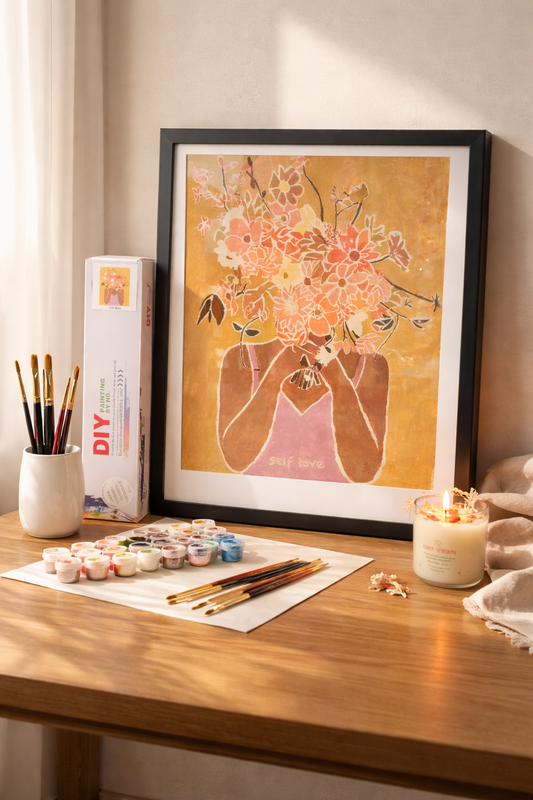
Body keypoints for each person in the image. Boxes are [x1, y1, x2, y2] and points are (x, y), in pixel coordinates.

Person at [217, 332, 388, 484]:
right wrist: (273, 379)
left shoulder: (371, 364)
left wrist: (339, 384)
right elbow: (235, 460)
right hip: (257, 511)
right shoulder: (243, 357)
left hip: (337, 513)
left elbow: (363, 473)